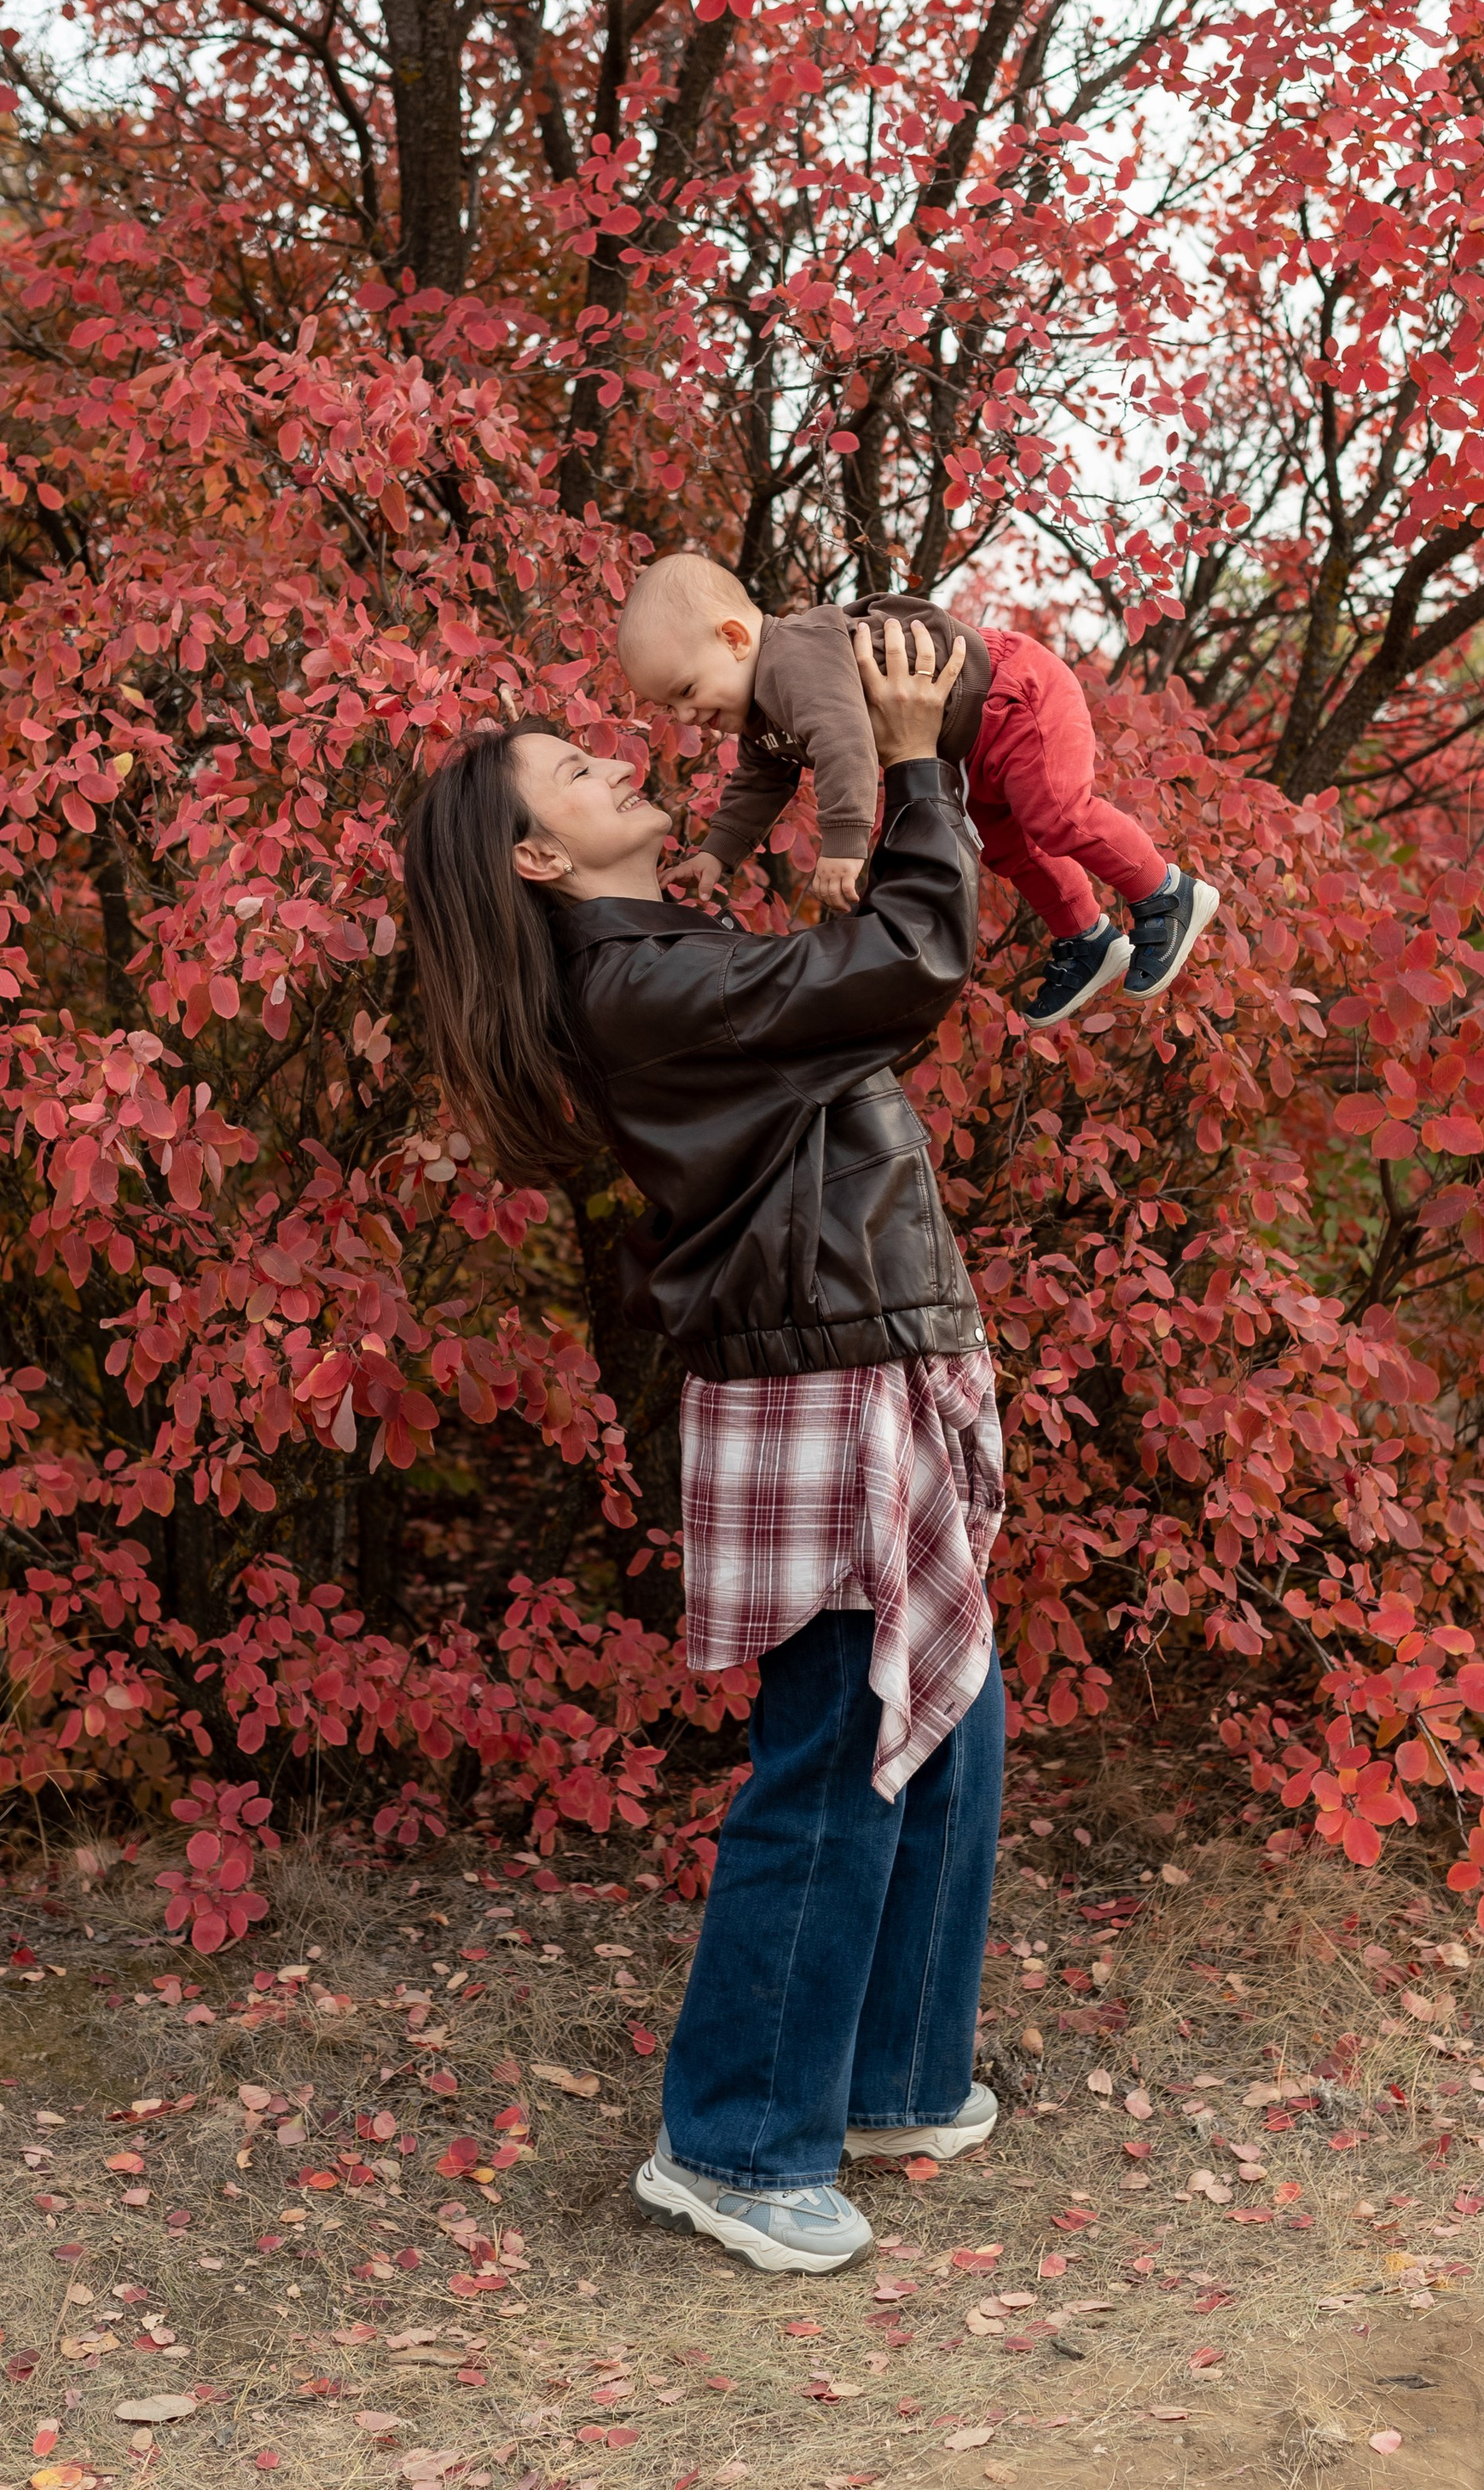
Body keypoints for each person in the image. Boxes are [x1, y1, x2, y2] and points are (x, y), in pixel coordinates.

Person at [398, 623, 1006, 2274]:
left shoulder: (661, 949)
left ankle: (884, 2078)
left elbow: (861, 1001)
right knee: (834, 1745)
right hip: (813, 1366)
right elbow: (903, 968)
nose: (615, 761)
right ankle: (731, 2142)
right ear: (537, 854)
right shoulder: (636, 984)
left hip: (859, 1341)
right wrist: (912, 766)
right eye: (572, 775)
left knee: (944, 1719)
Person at [617, 551, 1217, 1028]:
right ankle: (1088, 936)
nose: (685, 713)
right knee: (1008, 849)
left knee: (1056, 813)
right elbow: (760, 781)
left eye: (687, 689)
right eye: (669, 705)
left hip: (1009, 693)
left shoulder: (792, 657)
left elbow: (844, 737)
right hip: (967, 742)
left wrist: (845, 844)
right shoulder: (761, 717)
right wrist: (716, 853)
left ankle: (1165, 891)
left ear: (733, 638)